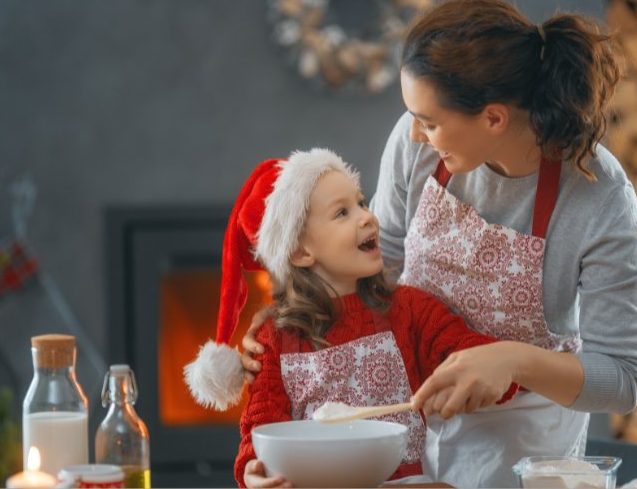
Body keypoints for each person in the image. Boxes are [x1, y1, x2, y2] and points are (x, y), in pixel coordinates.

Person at [240, 0, 637, 488]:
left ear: (494, 119)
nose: (414, 133)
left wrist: (513, 358)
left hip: (520, 451)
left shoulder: (599, 197)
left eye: (430, 121)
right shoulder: (417, 147)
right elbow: (377, 271)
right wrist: (291, 323)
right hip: (402, 442)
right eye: (414, 115)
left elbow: (625, 376)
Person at [183, 148, 520, 488]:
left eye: (361, 202)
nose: (367, 217)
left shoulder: (409, 310)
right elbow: (261, 427)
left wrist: (492, 373)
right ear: (301, 251)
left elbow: (476, 358)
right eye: (342, 212)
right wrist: (256, 471)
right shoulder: (274, 338)